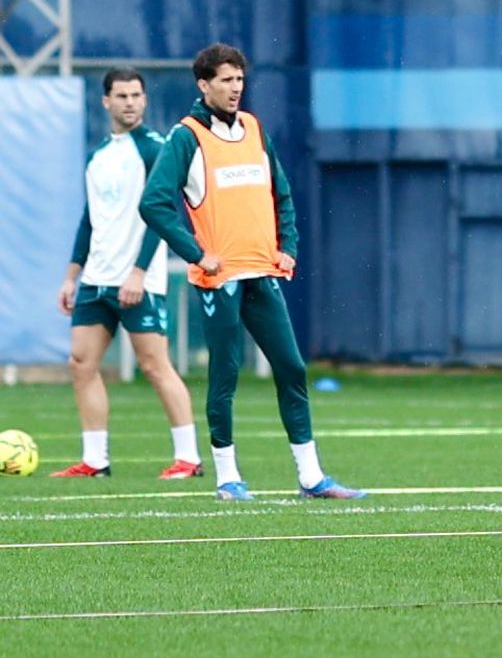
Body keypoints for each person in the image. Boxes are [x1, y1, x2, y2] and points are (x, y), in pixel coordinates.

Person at [139, 43, 366, 501]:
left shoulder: (254, 128)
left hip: (261, 272)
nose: (235, 87)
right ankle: (227, 478)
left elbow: (280, 193)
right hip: (219, 279)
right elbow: (153, 203)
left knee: (291, 366)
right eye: (226, 80)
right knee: (225, 373)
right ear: (204, 85)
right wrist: (196, 254)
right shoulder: (186, 136)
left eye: (239, 79)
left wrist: (289, 249)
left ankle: (311, 477)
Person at [51, 68, 203, 479]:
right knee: (81, 363)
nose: (130, 102)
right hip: (96, 279)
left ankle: (189, 458)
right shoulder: (97, 154)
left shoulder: (155, 148)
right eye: (121, 96)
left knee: (155, 365)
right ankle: (95, 460)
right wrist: (71, 275)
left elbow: (163, 212)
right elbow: (90, 218)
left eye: (137, 95)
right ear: (106, 101)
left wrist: (138, 272)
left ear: (144, 100)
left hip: (139, 281)